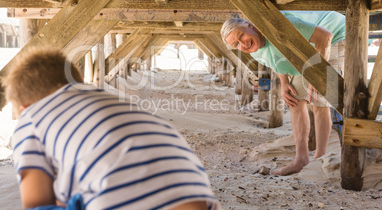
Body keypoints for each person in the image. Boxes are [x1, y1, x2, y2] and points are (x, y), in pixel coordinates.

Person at [4, 48, 220, 210]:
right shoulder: (117, 102)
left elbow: (36, 204)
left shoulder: (31, 117)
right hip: (197, 195)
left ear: (23, 108)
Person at [220, 11, 345, 176]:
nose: (242, 44)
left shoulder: (280, 24)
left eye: (241, 36)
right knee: (294, 98)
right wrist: (285, 83)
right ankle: (301, 159)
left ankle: (319, 158)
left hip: (334, 34)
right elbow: (276, 58)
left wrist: (317, 75)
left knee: (318, 98)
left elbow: (325, 37)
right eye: (236, 44)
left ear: (250, 25)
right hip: (304, 47)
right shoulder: (254, 49)